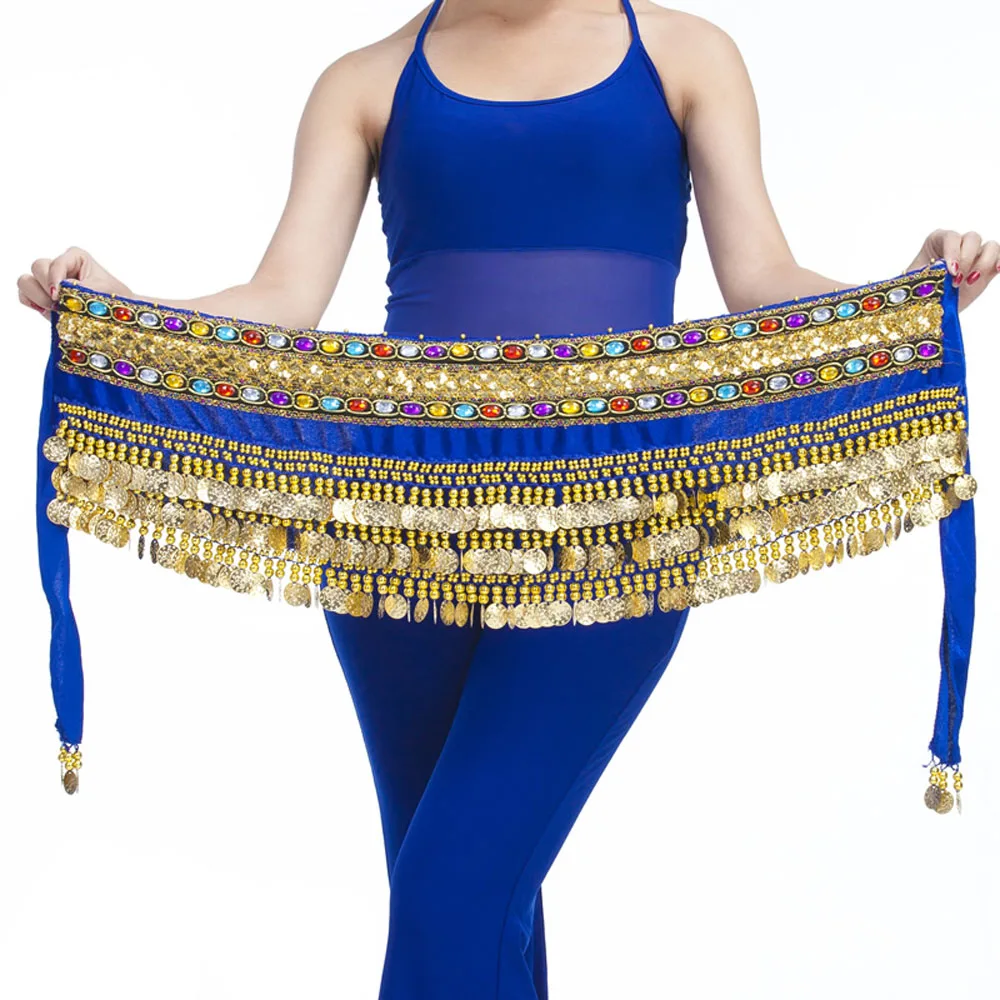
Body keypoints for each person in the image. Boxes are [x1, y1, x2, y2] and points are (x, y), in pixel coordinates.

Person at [17, 3, 998, 998]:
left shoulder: (686, 56)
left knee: (451, 895)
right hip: (393, 537)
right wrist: (120, 308)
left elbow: (761, 280)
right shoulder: (365, 80)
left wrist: (903, 300)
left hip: (620, 531)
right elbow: (281, 301)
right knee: (468, 902)